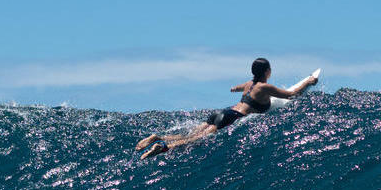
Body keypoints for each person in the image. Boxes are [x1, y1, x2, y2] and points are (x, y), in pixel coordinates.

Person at [136, 58, 321, 158]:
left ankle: (158, 137)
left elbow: (237, 88)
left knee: (190, 135)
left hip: (222, 112)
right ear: (267, 72)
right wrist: (309, 82)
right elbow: (291, 95)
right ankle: (163, 146)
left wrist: (236, 88)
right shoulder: (265, 87)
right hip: (232, 116)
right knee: (195, 140)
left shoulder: (249, 83)